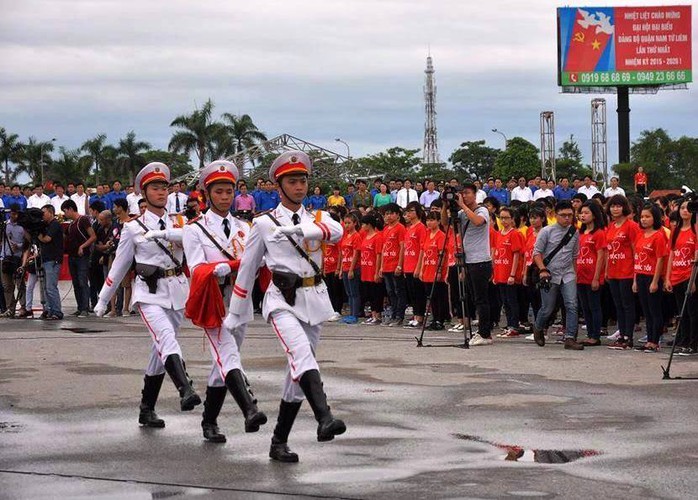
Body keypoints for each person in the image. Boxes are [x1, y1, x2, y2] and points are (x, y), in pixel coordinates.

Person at [224, 151, 346, 463]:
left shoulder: (317, 218)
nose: (299, 186)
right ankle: (325, 417)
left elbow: (338, 232)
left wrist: (305, 231)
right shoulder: (264, 223)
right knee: (301, 356)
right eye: (292, 181)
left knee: (296, 378)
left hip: (314, 301)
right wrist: (236, 313)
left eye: (303, 180)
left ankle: (279, 441)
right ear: (279, 187)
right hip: (281, 301)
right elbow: (249, 268)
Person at [94, 162, 201, 428]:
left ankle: (146, 408)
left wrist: (168, 232)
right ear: (144, 192)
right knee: (165, 338)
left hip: (176, 290)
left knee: (160, 349)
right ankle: (185, 388)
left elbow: (190, 241)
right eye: (155, 187)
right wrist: (103, 299)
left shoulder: (181, 222)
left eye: (164, 186)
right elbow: (119, 266)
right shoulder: (133, 228)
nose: (161, 192)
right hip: (148, 293)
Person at [181, 160, 267, 443]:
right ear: (207, 194)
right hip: (214, 300)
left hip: (239, 299)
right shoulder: (195, 229)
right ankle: (249, 409)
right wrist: (227, 267)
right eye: (219, 191)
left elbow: (258, 261)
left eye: (229, 190)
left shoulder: (246, 226)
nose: (225, 196)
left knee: (223, 363)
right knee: (228, 354)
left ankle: (209, 421)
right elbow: (196, 269)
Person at [531, 200, 585, 350]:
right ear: (556, 215)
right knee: (547, 308)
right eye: (563, 215)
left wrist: (575, 273)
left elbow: (575, 255)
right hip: (549, 274)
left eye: (570, 215)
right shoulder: (546, 231)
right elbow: (537, 253)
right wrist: (542, 270)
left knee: (572, 305)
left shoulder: (574, 232)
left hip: (568, 273)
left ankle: (570, 337)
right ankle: (538, 326)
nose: (567, 218)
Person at [448, 183, 495, 346]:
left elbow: (477, 222)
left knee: (481, 299)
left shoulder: (482, 210)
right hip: (468, 261)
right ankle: (481, 330)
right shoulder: (461, 213)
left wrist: (461, 205)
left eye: (467, 193)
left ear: (475, 195)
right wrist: (445, 206)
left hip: (480, 261)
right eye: (462, 194)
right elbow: (445, 223)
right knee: (473, 298)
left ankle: (485, 334)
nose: (464, 196)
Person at [605, 195, 640, 350]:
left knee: (627, 305)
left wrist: (635, 275)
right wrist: (606, 271)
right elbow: (608, 250)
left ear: (624, 207)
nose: (615, 208)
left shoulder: (631, 226)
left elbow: (635, 250)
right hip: (613, 271)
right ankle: (621, 335)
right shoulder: (611, 226)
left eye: (618, 206)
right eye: (612, 206)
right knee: (618, 305)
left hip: (627, 271)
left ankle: (628, 337)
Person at [664, 198, 698, 355]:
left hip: (689, 276)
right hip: (676, 275)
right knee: (681, 311)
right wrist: (668, 277)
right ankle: (683, 340)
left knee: (692, 311)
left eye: (688, 208)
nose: (685, 210)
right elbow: (671, 254)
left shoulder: (696, 230)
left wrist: (693, 279)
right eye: (682, 208)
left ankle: (693, 343)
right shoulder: (676, 230)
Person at [633, 204, 668, 352]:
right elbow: (637, 258)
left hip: (652, 276)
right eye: (642, 217)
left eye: (647, 216)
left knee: (654, 310)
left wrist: (655, 281)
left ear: (655, 218)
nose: (644, 219)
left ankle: (655, 341)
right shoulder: (640, 234)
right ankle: (649, 340)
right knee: (646, 311)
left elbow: (660, 259)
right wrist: (635, 280)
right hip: (640, 274)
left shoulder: (658, 236)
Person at [576, 201, 607, 346]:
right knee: (585, 307)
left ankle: (595, 335)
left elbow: (601, 256)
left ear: (594, 215)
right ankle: (589, 333)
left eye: (586, 213)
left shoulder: (599, 233)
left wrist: (596, 277)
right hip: (580, 275)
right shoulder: (579, 233)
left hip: (593, 276)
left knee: (594, 306)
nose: (583, 215)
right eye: (581, 213)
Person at [492, 206, 524, 337]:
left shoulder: (515, 234)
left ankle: (514, 326)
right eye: (502, 218)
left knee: (512, 301)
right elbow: (496, 254)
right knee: (505, 302)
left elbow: (516, 254)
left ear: (512, 219)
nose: (504, 220)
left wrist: (512, 274)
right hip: (500, 272)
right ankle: (509, 325)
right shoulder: (498, 234)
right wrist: (494, 273)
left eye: (506, 218)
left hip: (509, 273)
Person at [414, 212, 449, 330]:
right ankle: (435, 318)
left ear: (439, 221)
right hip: (427, 269)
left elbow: (442, 254)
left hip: (436, 270)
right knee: (431, 296)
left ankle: (440, 319)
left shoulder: (441, 235)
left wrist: (439, 271)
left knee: (439, 296)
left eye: (432, 220)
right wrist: (420, 269)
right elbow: (423, 252)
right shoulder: (427, 234)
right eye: (428, 220)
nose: (429, 223)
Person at [379, 203, 407, 326]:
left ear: (397, 215)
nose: (388, 216)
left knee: (398, 291)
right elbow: (384, 248)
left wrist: (399, 265)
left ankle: (399, 316)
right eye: (386, 214)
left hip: (395, 265)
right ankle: (393, 314)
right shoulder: (385, 229)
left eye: (391, 213)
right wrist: (381, 266)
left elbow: (402, 247)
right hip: (386, 265)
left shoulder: (400, 228)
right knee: (390, 292)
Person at [0, 204, 28, 317]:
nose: (14, 215)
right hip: (4, 257)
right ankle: (9, 308)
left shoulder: (23, 227)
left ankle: (23, 307)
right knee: (7, 285)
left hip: (18, 258)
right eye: (12, 213)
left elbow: (27, 243)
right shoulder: (5, 225)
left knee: (20, 284)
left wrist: (19, 246)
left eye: (16, 213)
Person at [403, 201, 427, 328]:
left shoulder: (421, 227)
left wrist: (419, 267)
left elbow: (423, 248)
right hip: (408, 265)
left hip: (415, 265)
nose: (409, 213)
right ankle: (415, 315)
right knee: (411, 293)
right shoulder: (409, 228)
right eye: (408, 211)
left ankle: (420, 316)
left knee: (418, 293)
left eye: (411, 211)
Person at [359, 212, 384, 325]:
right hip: (365, 268)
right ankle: (372, 314)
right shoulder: (365, 236)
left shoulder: (378, 237)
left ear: (369, 225)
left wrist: (377, 271)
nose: (362, 227)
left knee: (376, 293)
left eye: (363, 224)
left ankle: (377, 316)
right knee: (368, 293)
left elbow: (378, 254)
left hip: (373, 268)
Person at [337, 212, 362, 324]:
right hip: (345, 267)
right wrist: (342, 269)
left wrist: (351, 269)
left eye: (349, 223)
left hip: (353, 268)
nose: (346, 225)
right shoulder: (345, 236)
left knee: (354, 292)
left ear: (355, 223)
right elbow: (342, 253)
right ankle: (351, 314)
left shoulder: (356, 236)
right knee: (349, 293)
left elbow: (356, 253)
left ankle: (354, 315)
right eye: (345, 223)